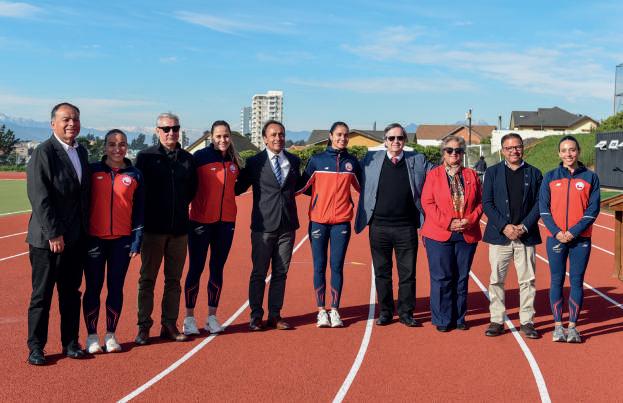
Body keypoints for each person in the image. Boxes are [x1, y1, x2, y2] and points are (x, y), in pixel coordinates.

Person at [26, 102, 90, 365]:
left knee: (71, 293)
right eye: (66, 119)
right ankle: (36, 348)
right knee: (42, 295)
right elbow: (39, 197)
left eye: (75, 119)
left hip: (75, 238)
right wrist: (54, 234)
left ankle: (71, 343)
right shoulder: (44, 152)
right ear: (53, 124)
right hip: (47, 240)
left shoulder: (81, 152)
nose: (71, 123)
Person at [355, 123, 434, 327]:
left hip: (406, 227)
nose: (396, 141)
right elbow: (350, 173)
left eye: (400, 138)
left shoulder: (418, 159)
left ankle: (406, 312)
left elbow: (438, 174)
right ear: (385, 141)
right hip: (378, 227)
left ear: (405, 141)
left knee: (408, 273)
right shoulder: (370, 160)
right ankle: (386, 311)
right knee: (382, 272)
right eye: (391, 138)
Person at [135, 113, 198, 344]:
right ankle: (143, 326)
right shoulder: (145, 157)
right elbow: (139, 192)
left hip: (179, 230)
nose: (171, 133)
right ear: (157, 131)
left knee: (174, 281)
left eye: (175, 128)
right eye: (166, 129)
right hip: (153, 231)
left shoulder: (188, 159)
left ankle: (169, 324)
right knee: (147, 280)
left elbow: (191, 190)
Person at [235, 120, 302, 331]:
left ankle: (275, 315)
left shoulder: (294, 160)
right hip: (263, 227)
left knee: (281, 272)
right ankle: (256, 316)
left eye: (281, 134)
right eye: (273, 135)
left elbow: (302, 186)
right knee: (259, 273)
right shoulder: (254, 162)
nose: (277, 138)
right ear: (265, 138)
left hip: (287, 226)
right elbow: (238, 188)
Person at [83, 129, 144, 353]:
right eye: (112, 144)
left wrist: (137, 240)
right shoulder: (92, 171)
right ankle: (91, 337)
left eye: (122, 144)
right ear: (105, 147)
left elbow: (139, 211)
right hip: (94, 241)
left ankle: (110, 335)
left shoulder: (135, 174)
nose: (117, 149)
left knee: (115, 288)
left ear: (127, 147)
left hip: (122, 242)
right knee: (93, 288)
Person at [297, 122, 362, 328]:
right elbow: (302, 187)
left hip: (341, 222)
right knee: (319, 266)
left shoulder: (352, 162)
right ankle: (320, 311)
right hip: (318, 221)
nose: (343, 138)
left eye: (346, 135)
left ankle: (334, 310)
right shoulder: (317, 160)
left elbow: (363, 189)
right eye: (339, 134)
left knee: (337, 266)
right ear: (331, 136)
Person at [539, 135, 599, 343]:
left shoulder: (590, 177)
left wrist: (573, 232)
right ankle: (558, 326)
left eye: (572, 150)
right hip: (555, 238)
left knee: (576, 281)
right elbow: (543, 208)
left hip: (580, 239)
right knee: (556, 280)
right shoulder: (550, 177)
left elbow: (593, 209)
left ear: (578, 152)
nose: (568, 154)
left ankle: (572, 327)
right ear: (559, 153)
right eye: (564, 150)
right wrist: (557, 232)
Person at [482, 133, 542, 339]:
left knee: (527, 281)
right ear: (502, 150)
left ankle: (527, 321)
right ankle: (497, 320)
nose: (514, 151)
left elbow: (539, 203)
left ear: (523, 148)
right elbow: (487, 203)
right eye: (509, 148)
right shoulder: (492, 172)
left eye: (517, 147)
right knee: (496, 280)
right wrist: (504, 226)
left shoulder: (534, 173)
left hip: (526, 236)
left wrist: (524, 226)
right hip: (500, 236)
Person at [421, 135, 483, 332]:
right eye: (449, 150)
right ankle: (442, 318)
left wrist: (469, 220)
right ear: (443, 153)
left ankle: (459, 317)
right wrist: (448, 223)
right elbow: (427, 203)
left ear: (462, 153)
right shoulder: (433, 175)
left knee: (461, 278)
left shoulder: (471, 175)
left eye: (458, 150)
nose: (454, 154)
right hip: (439, 233)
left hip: (466, 233)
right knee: (442, 278)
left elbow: (481, 202)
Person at [182, 121, 239, 335]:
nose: (223, 140)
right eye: (218, 136)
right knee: (196, 268)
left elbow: (238, 187)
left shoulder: (234, 161)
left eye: (226, 136)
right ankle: (189, 318)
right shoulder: (200, 158)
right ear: (211, 137)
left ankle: (212, 317)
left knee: (217, 269)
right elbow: (187, 184)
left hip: (226, 223)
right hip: (200, 222)